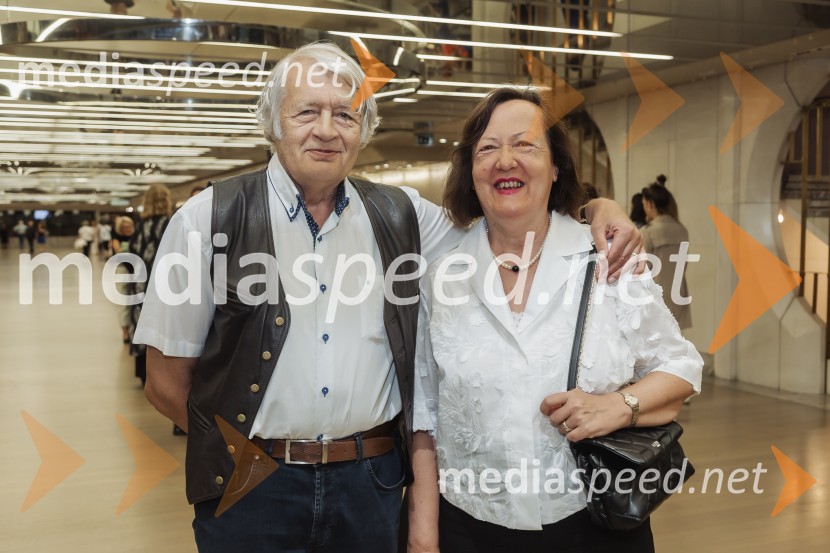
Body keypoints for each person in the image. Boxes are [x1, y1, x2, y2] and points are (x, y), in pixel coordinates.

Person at [133, 42, 641, 553]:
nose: (327, 130)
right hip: (253, 490)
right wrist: (246, 465)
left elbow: (506, 221)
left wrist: (598, 208)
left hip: (371, 486)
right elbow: (165, 382)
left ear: (364, 129)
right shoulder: (208, 220)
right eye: (307, 111)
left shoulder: (402, 217)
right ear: (273, 122)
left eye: (345, 115)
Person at [407, 88, 702, 553]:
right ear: (470, 171)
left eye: (525, 145)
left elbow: (680, 367)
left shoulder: (608, 258)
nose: (505, 160)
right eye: (487, 148)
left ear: (556, 165)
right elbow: (424, 412)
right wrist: (423, 531)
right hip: (471, 525)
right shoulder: (442, 272)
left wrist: (617, 406)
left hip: (595, 524)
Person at [129, 184, 172, 385]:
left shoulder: (140, 227)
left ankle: (141, 371)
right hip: (161, 284)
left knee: (141, 323)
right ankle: (158, 373)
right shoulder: (169, 224)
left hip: (139, 282)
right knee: (160, 325)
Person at [641, 182, 692, 329]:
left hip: (654, 300)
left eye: (644, 204)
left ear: (650, 204)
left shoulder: (647, 232)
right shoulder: (682, 230)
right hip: (678, 297)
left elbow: (642, 270)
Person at [112, 216, 136, 343]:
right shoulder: (116, 240)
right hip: (122, 271)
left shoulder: (137, 237)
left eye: (129, 226)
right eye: (124, 227)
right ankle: (125, 332)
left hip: (137, 271)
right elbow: (120, 253)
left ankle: (135, 329)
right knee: (123, 303)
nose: (128, 229)